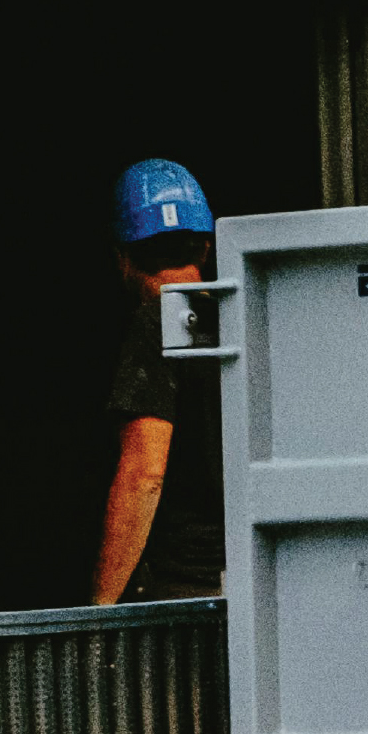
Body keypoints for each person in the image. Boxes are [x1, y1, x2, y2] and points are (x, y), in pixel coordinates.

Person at [91, 159, 226, 606]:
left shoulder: (158, 325)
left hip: (180, 595)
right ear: (205, 249)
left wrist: (100, 612)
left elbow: (144, 473)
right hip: (250, 575)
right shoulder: (243, 321)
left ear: (123, 259)